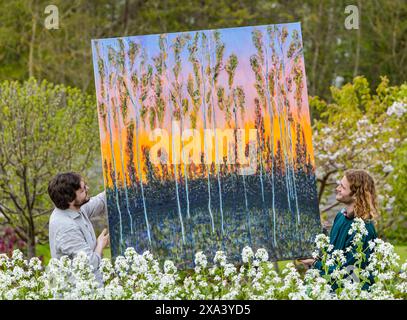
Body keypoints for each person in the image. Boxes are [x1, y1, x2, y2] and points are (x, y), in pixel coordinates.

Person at [300, 169, 378, 289]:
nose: (337, 188)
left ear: (356, 194)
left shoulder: (363, 229)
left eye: (342, 186)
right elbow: (331, 255)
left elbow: (351, 275)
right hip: (329, 287)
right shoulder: (341, 216)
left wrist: (315, 263)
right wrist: (314, 257)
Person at [48, 172, 110, 277]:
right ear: (70, 200)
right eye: (82, 190)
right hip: (79, 290)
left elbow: (101, 201)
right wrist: (100, 244)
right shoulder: (65, 227)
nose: (87, 188)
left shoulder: (76, 209)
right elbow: (90, 263)